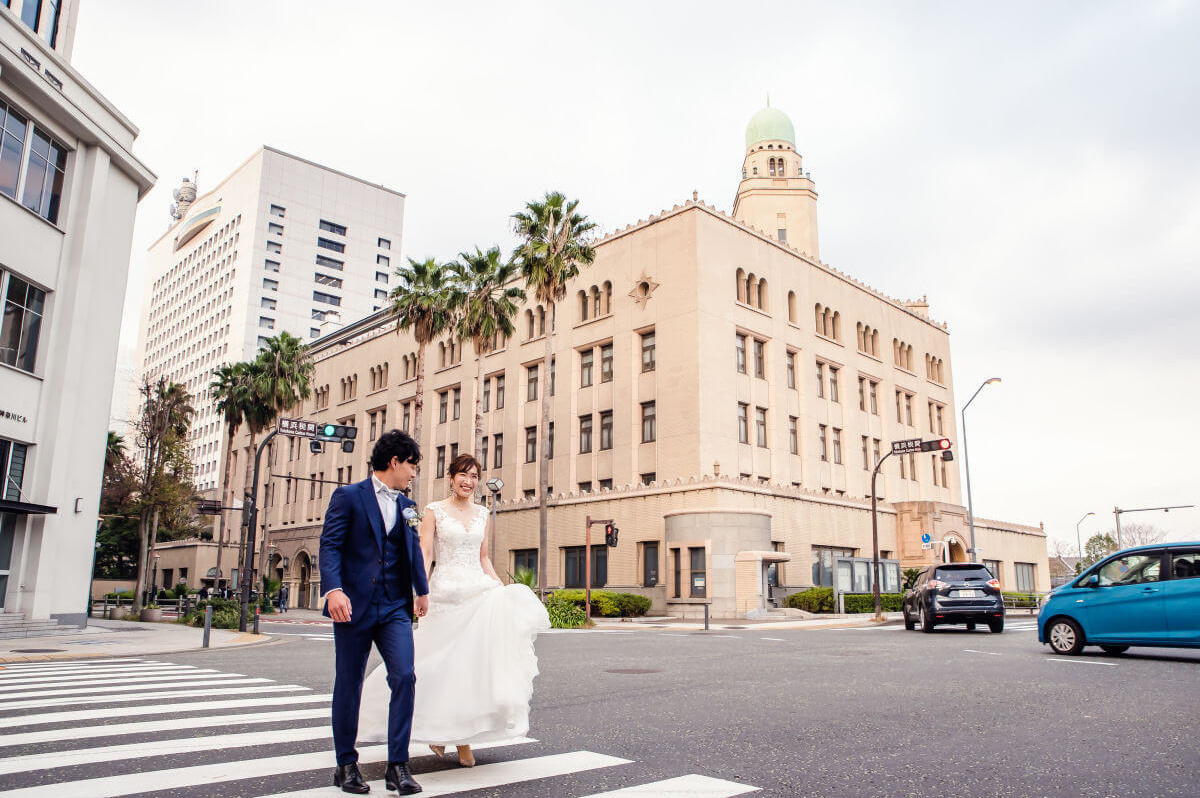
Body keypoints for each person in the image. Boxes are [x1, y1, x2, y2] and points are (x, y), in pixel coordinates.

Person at [359, 453, 550, 768]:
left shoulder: (483, 513)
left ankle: (462, 739)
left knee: (471, 667)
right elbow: (426, 553)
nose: (469, 481)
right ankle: (436, 729)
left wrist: (500, 587)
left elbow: (483, 556)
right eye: (463, 474)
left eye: (474, 476)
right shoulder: (434, 511)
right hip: (445, 595)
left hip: (477, 592)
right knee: (437, 666)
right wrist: (421, 591)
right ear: (451, 477)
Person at [319, 430, 429, 795]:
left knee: (405, 676)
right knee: (349, 685)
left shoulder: (407, 506)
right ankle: (346, 765)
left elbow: (412, 551)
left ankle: (398, 765)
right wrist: (333, 590)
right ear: (394, 462)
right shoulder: (349, 496)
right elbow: (330, 545)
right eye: (412, 465)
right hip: (352, 606)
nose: (415, 473)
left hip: (395, 605)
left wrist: (422, 591)